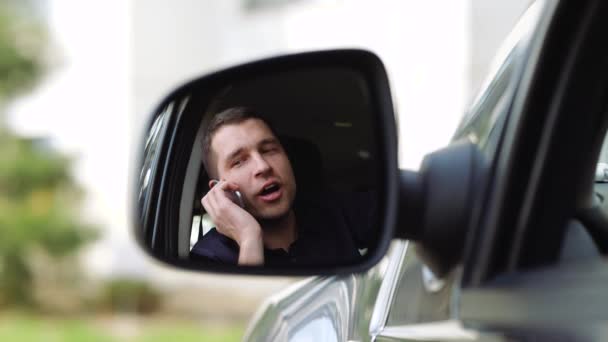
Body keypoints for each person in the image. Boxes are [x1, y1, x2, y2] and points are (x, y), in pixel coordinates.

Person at [190, 107, 375, 266]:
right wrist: (249, 239)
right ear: (219, 191)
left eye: (269, 150)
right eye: (239, 161)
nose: (263, 166)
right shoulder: (207, 258)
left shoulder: (333, 210)